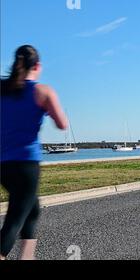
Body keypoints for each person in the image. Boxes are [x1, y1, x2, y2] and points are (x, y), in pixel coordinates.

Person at [1, 45, 68, 260]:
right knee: (15, 219)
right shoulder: (43, 91)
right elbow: (62, 124)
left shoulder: (3, 90)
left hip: (3, 165)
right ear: (37, 66)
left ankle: (27, 258)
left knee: (33, 209)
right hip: (26, 165)